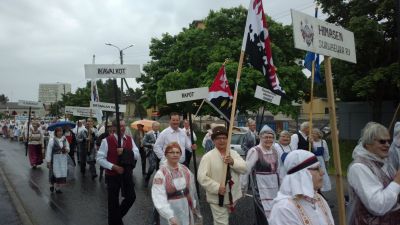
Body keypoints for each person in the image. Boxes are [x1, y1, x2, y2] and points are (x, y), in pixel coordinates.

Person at [347, 122, 400, 224]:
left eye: (388, 141)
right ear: (368, 143)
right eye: (382, 141)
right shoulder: (359, 167)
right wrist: (397, 181)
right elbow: (378, 206)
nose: (387, 145)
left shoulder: (384, 162)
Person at [269, 150, 334, 225]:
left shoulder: (318, 198)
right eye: (316, 168)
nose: (322, 172)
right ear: (301, 175)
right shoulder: (284, 209)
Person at [198, 126, 247, 225]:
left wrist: (232, 162)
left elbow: (244, 169)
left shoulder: (233, 153)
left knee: (223, 219)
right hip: (217, 197)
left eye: (224, 138)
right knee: (222, 222)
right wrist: (217, 187)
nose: (221, 140)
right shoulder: (208, 157)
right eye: (218, 138)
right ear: (213, 141)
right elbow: (201, 177)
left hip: (232, 195)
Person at [97, 119, 140, 225]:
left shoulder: (129, 139)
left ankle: (115, 219)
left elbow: (136, 154)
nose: (123, 128)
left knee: (131, 197)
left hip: (126, 174)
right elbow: (99, 158)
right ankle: (115, 221)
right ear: (114, 128)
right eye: (120, 126)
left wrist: (125, 151)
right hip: (112, 175)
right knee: (113, 202)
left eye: (124, 125)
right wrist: (113, 166)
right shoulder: (106, 140)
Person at [151, 142, 202, 225]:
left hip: (186, 208)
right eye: (172, 152)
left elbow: (191, 190)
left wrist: (193, 206)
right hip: (170, 208)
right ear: (166, 154)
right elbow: (159, 196)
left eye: (178, 152)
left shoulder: (185, 170)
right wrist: (170, 216)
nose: (175, 155)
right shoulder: (161, 174)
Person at [241, 125, 280, 223]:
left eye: (271, 137)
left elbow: (279, 170)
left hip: (274, 187)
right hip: (260, 187)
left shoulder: (275, 151)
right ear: (261, 138)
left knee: (274, 212)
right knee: (262, 213)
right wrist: (243, 186)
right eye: (266, 137)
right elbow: (246, 170)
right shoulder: (255, 151)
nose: (268, 139)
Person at [45, 126, 70, 193]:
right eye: (58, 131)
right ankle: (51, 185)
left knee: (61, 173)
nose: (60, 133)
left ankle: (58, 188)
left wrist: (66, 149)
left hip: (62, 159)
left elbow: (68, 147)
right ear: (56, 132)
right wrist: (48, 161)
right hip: (54, 159)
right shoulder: (52, 140)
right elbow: (49, 151)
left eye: (61, 131)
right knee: (53, 173)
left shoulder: (64, 139)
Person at [310, 128, 331, 192]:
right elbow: (313, 151)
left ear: (318, 134)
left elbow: (326, 152)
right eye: (312, 133)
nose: (313, 135)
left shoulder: (323, 142)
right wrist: (311, 144)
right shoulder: (310, 142)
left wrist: (326, 160)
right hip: (313, 160)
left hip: (320, 160)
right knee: (314, 175)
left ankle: (320, 190)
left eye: (314, 133)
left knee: (322, 174)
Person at [143, 121, 161, 187]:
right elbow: (144, 143)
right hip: (151, 152)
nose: (157, 128)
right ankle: (147, 178)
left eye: (158, 126)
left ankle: (159, 182)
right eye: (155, 126)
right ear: (152, 127)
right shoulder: (148, 134)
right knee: (152, 167)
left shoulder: (161, 134)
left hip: (159, 153)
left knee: (159, 168)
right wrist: (151, 145)